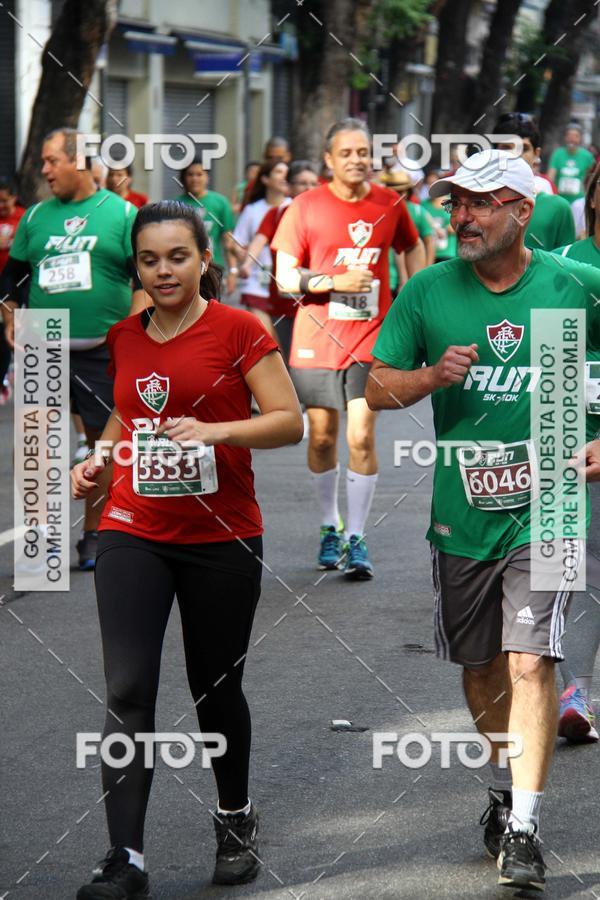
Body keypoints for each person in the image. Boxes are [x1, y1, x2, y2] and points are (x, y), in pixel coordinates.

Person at [366, 149, 600, 893]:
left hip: (554, 505)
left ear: (523, 212)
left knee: (532, 660)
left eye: (479, 203)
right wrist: (431, 376)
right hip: (463, 512)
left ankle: (525, 825)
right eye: (456, 203)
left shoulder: (573, 287)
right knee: (481, 669)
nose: (460, 217)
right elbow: (374, 388)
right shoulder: (430, 289)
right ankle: (502, 787)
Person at [71, 201, 303, 899]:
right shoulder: (124, 334)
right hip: (133, 528)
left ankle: (234, 818)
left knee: (215, 686)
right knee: (127, 687)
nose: (164, 270)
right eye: (150, 259)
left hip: (221, 536)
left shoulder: (240, 329)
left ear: (205, 259)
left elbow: (288, 422)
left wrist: (218, 432)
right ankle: (126, 858)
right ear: (135, 268)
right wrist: (101, 458)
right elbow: (127, 412)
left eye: (178, 256)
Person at [272, 117, 425, 578]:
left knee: (360, 434)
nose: (357, 160)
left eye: (363, 153)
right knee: (321, 437)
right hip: (316, 340)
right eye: (347, 153)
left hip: (369, 340)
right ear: (329, 160)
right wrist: (334, 281)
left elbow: (412, 247)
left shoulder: (389, 203)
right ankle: (329, 527)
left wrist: (414, 292)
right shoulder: (304, 206)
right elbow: (283, 279)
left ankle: (357, 536)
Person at [1, 127, 143, 570]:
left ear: (80, 161)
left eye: (51, 161)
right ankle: (41, 537)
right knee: (37, 442)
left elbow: (141, 281)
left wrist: (131, 333)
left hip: (101, 347)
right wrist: (10, 315)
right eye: (43, 162)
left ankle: (94, 533)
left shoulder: (121, 214)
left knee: (103, 444)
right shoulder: (36, 216)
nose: (44, 171)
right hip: (42, 338)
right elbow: (13, 278)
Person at [553, 161, 600, 742]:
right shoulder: (565, 265)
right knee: (571, 561)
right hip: (570, 426)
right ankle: (575, 689)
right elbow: (551, 350)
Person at [240, 160, 319, 362]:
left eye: (312, 183)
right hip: (284, 300)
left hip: (318, 299)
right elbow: (259, 241)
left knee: (312, 358)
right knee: (289, 356)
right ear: (289, 187)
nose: (308, 188)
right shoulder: (277, 214)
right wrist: (247, 265)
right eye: (302, 183)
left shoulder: (325, 214)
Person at [492, 112, 575, 251]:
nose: (515, 155)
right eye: (507, 147)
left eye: (524, 148)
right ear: (494, 152)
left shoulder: (558, 208)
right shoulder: (478, 203)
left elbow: (565, 266)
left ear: (536, 154)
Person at [232, 159, 289, 341]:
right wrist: (240, 254)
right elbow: (238, 240)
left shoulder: (294, 206)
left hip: (285, 285)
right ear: (265, 179)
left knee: (283, 342)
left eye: (286, 173)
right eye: (279, 172)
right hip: (256, 282)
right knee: (266, 339)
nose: (284, 177)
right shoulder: (253, 210)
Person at [175, 158, 238, 295]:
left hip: (213, 268)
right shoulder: (175, 205)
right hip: (183, 268)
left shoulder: (220, 203)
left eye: (199, 174)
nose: (195, 179)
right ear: (184, 178)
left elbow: (228, 240)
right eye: (190, 174)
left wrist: (233, 271)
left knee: (211, 310)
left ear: (207, 177)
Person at [379, 170, 436, 283]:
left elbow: (429, 242)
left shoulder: (417, 211)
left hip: (408, 276)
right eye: (393, 191)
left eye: (401, 192)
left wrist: (426, 272)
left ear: (407, 192)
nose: (397, 195)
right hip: (384, 276)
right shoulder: (379, 212)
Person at [0, 176, 24, 402]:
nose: (1, 206)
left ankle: (6, 374)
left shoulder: (24, 217)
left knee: (11, 329)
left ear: (14, 198)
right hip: (1, 281)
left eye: (5, 200)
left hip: (18, 282)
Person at [547, 123, 595, 204]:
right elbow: (550, 176)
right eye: (569, 136)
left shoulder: (587, 156)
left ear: (580, 139)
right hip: (559, 199)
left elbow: (592, 177)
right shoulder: (558, 154)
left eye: (575, 136)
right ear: (565, 137)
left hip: (579, 200)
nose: (572, 139)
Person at [420, 175, 458, 263]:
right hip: (430, 253)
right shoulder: (424, 205)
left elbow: (458, 224)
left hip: (448, 253)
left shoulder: (450, 202)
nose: (430, 186)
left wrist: (446, 229)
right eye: (428, 183)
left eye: (433, 183)